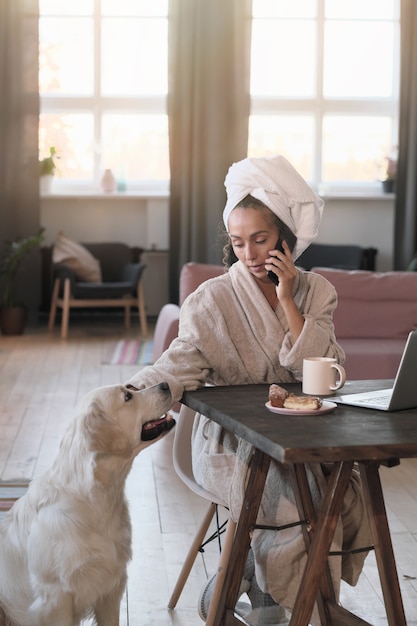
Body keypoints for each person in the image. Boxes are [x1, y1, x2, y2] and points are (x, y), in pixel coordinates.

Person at [127, 155, 370, 625]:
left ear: (284, 237)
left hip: (306, 443)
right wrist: (129, 396)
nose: (250, 254)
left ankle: (252, 584)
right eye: (238, 243)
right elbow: (178, 363)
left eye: (260, 240)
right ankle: (310, 609)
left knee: (346, 487)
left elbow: (329, 367)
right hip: (233, 443)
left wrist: (286, 300)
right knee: (290, 491)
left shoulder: (316, 291)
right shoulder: (212, 300)